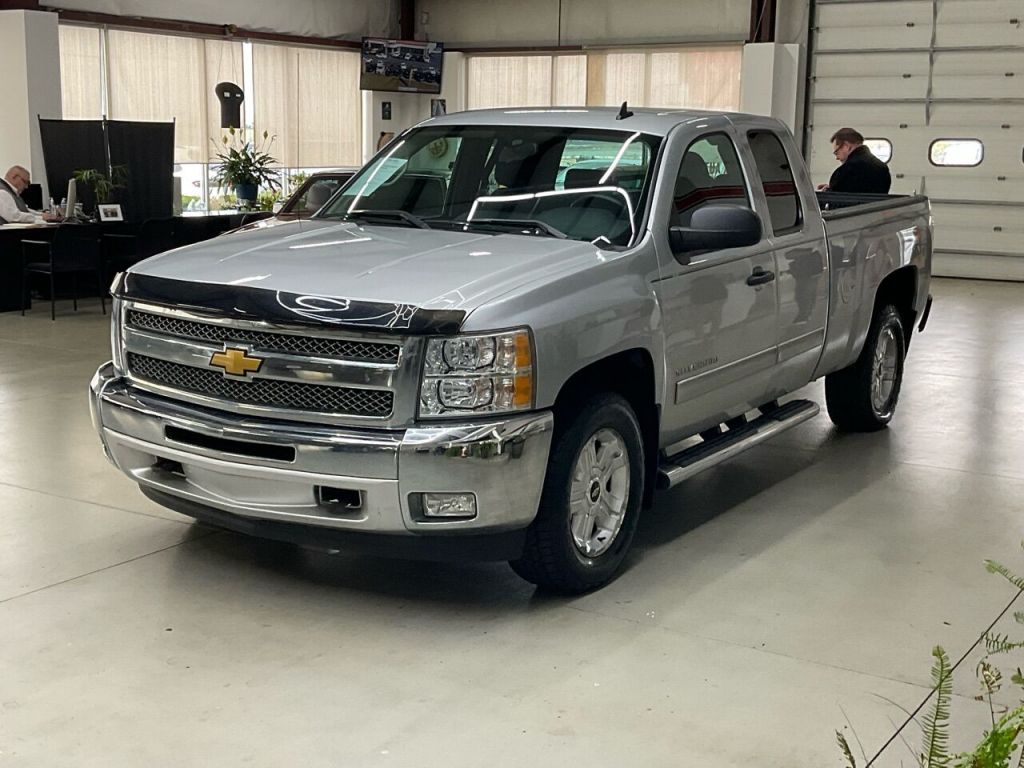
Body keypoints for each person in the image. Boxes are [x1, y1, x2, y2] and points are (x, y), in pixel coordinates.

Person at [817, 128, 891, 194]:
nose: (837, 158)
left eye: (836, 152)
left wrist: (828, 192)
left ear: (846, 146)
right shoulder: (882, 168)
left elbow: (838, 201)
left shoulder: (846, 171)